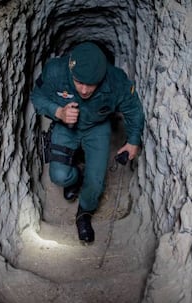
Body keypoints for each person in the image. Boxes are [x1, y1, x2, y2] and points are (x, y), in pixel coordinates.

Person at [31, 42, 144, 243]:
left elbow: (133, 110)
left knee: (95, 184)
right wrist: (58, 112)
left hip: (97, 128)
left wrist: (133, 141)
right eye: (78, 82)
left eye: (91, 84)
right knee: (59, 176)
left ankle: (84, 214)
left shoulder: (116, 80)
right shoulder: (55, 71)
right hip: (65, 125)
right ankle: (75, 176)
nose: (84, 90)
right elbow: (37, 96)